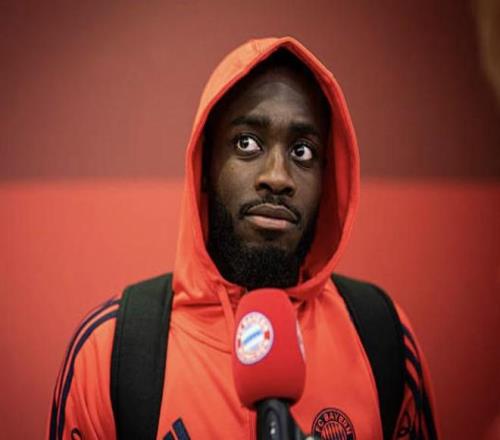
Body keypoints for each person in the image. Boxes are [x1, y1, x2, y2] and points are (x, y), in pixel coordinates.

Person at [47, 37, 438, 439]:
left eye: (303, 151)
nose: (278, 177)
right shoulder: (109, 351)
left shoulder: (383, 336)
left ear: (328, 180)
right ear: (203, 167)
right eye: (246, 143)